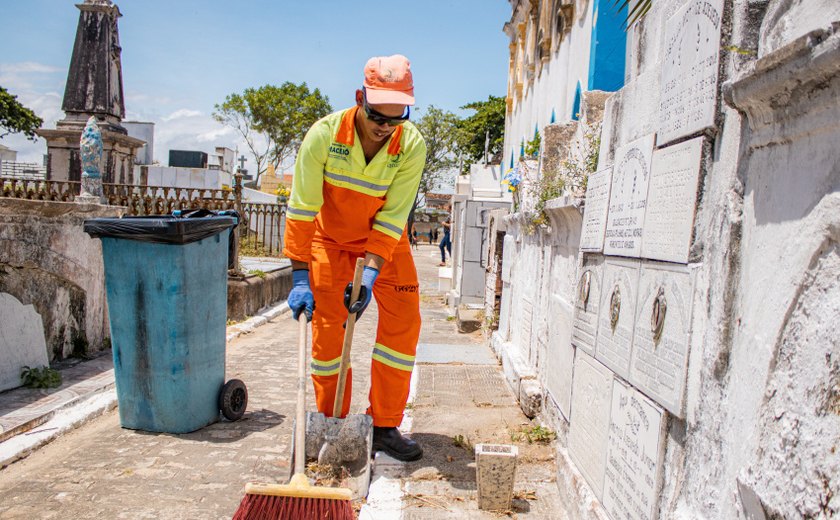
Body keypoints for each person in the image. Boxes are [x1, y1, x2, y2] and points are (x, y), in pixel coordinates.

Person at [284, 55, 426, 462]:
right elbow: (302, 209)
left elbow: (394, 216)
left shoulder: (411, 144)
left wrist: (369, 274)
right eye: (377, 116)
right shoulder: (324, 136)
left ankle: (383, 425)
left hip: (386, 243)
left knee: (403, 322)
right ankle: (333, 423)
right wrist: (299, 275)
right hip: (330, 242)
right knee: (329, 335)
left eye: (395, 120)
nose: (384, 128)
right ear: (360, 98)